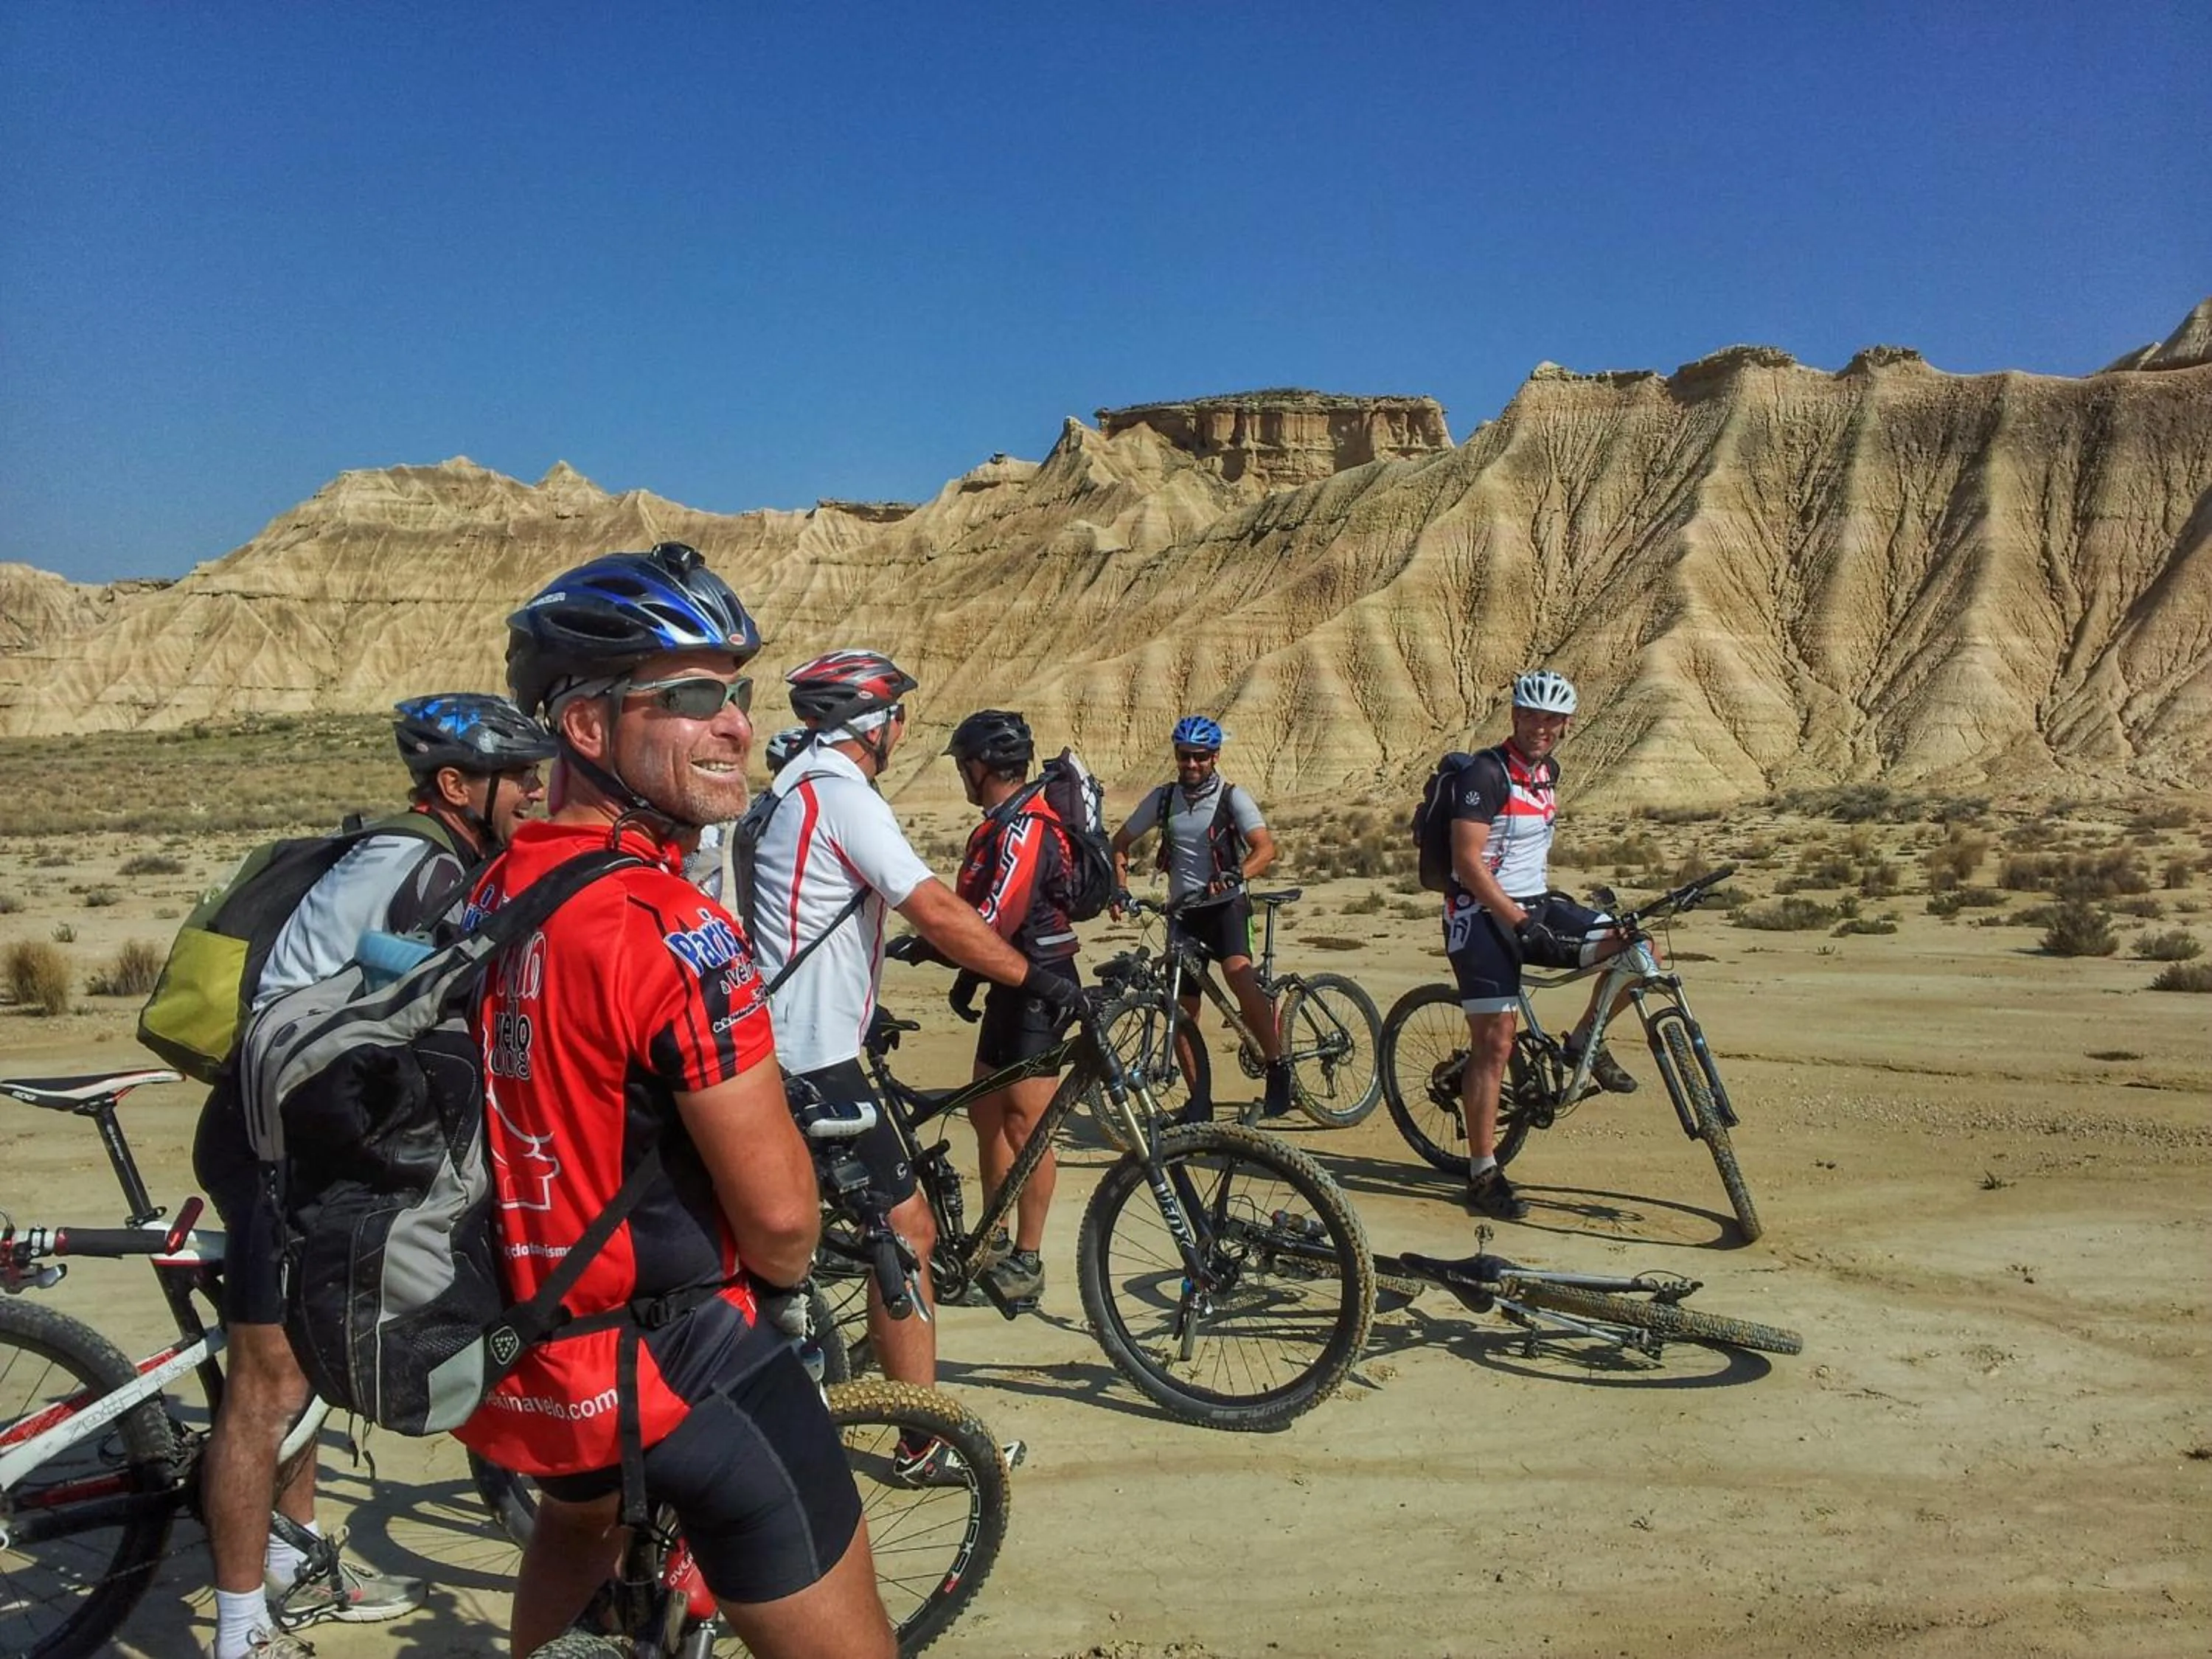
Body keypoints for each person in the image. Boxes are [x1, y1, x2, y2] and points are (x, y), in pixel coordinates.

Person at [476, 541, 892, 1659]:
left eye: (740, 695)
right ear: (586, 727)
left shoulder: (497, 888)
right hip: (679, 1364)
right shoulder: (672, 925)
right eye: (695, 697)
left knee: (576, 1522)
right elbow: (783, 1224)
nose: (738, 726)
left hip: (531, 1360)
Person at [194, 693, 554, 1659]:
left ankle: (295, 1550)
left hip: (301, 1119)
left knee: (308, 1356)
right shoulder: (423, 865)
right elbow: (404, 978)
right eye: (518, 774)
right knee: (263, 1390)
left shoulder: (422, 854)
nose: (535, 789)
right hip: (284, 1137)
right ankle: (239, 1630)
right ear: (454, 786)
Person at [751, 650, 1078, 1482]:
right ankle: (921, 1444)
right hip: (814, 1058)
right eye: (897, 715)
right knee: (907, 1233)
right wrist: (1033, 978)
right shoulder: (842, 796)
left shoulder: (787, 790)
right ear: (872, 722)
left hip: (779, 1042)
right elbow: (932, 907)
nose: (903, 729)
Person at [1441, 669, 1638, 1222]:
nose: (1541, 728)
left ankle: (1582, 1043)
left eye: (1553, 719)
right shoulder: (1486, 773)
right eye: (1532, 716)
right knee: (1497, 1041)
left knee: (1637, 950)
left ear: (1566, 724)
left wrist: (1541, 914)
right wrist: (1517, 920)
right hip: (1478, 914)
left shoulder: (1549, 772)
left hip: (1535, 901)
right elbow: (1466, 862)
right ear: (1516, 717)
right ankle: (1482, 1173)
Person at [943, 709, 1082, 1312]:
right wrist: (966, 972)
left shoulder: (1028, 824)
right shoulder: (999, 823)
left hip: (1040, 985)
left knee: (1028, 1126)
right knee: (986, 1115)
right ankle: (992, 1246)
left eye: (961, 767)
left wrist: (939, 945)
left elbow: (997, 916)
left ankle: (1027, 1260)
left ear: (980, 766)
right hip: (1007, 979)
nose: (960, 777)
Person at [1108, 714, 1290, 1117]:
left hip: (1226, 907)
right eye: (1184, 756)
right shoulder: (1163, 798)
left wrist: (1234, 876)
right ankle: (1199, 1101)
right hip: (1183, 913)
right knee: (1180, 1009)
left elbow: (1264, 849)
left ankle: (1279, 1071)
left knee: (1241, 978)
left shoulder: (1232, 797)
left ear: (1215, 756)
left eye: (1200, 757)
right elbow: (1119, 842)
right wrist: (1119, 886)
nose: (1191, 764)